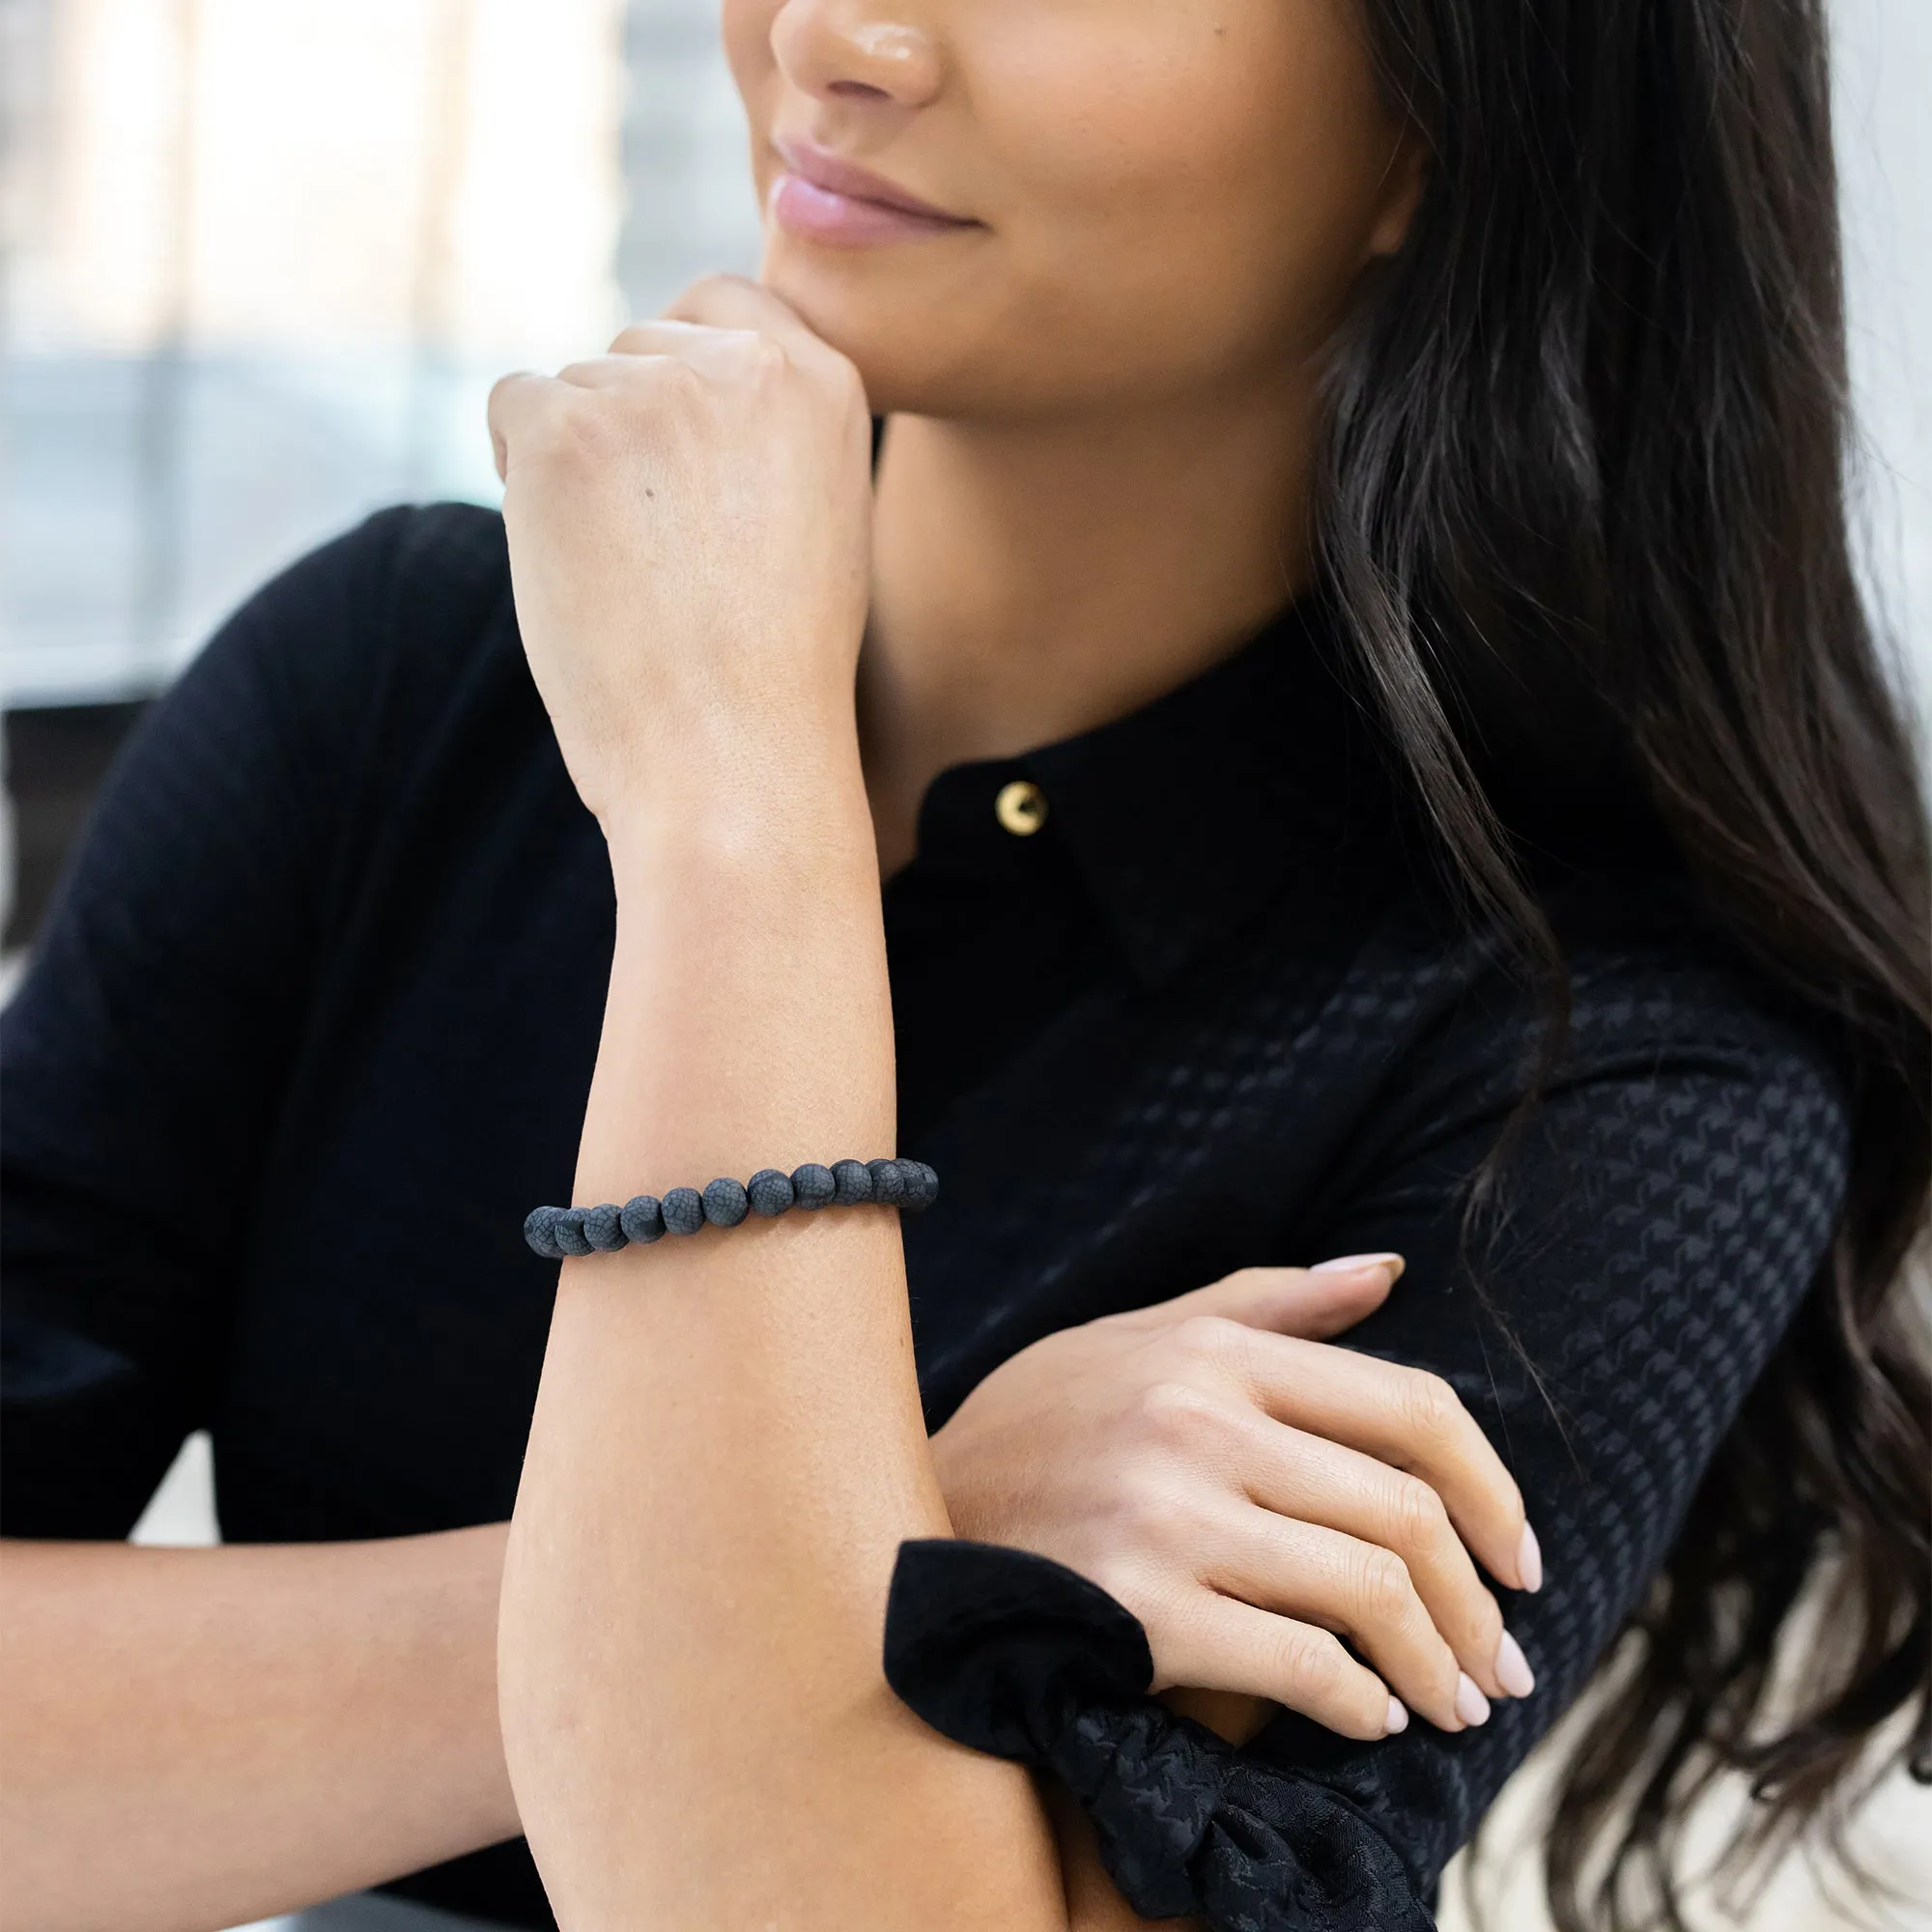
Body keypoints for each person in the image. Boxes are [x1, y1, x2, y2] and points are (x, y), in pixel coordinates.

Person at [3, 0, 1927, 1926]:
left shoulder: (1619, 1065)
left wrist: (736, 819)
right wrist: (908, 1533)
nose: (839, 35)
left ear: (1451, 125)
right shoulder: (395, 681)